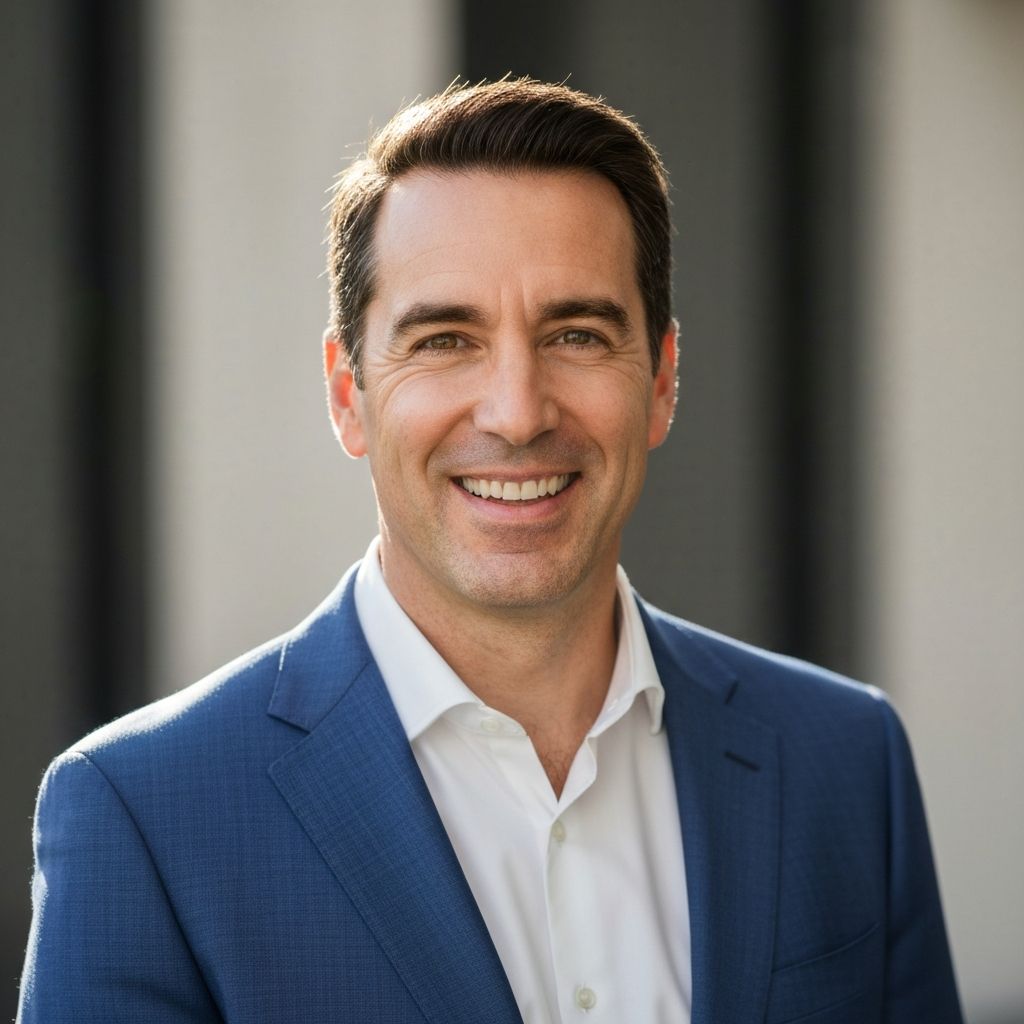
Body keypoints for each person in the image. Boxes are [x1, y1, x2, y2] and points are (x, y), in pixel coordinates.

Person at [17, 79, 962, 1024]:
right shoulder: (143, 816)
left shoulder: (846, 761)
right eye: (445, 340)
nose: (516, 413)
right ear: (347, 395)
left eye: (577, 334)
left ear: (663, 380)